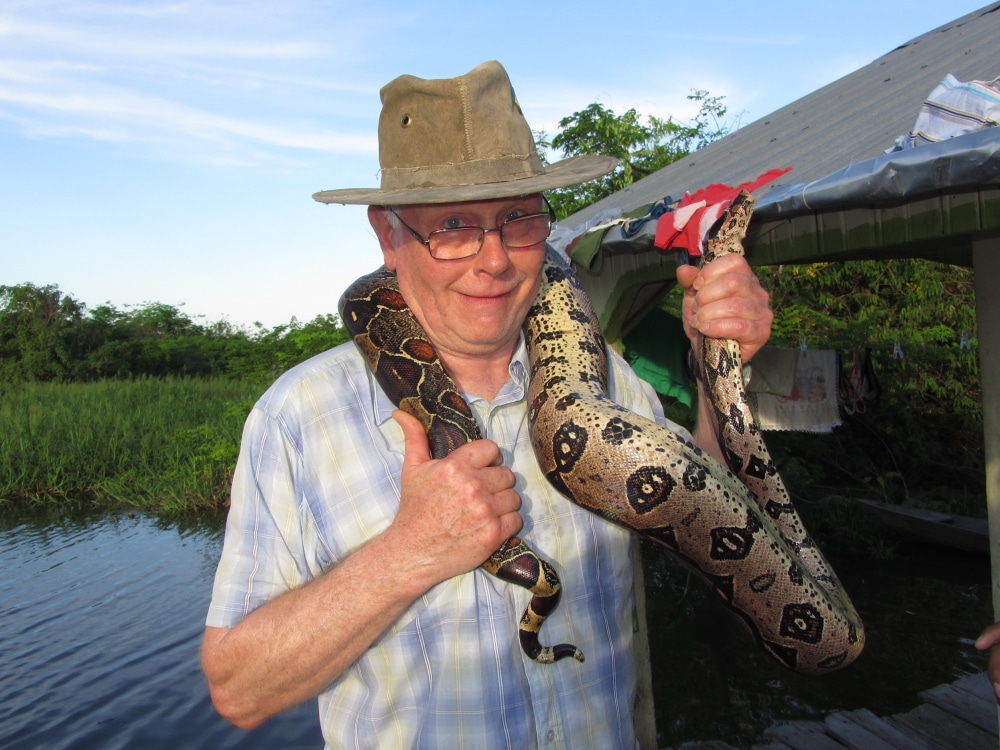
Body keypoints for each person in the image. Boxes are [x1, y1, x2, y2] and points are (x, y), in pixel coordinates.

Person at [201, 60, 773, 749]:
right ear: (388, 235)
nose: (495, 259)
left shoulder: (608, 383)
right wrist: (408, 553)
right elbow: (238, 688)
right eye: (451, 225)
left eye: (518, 220)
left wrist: (722, 366)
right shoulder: (298, 417)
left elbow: (715, 513)